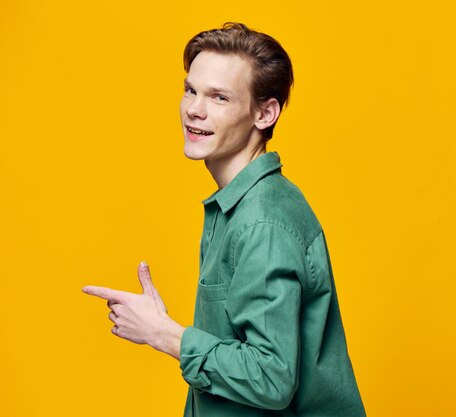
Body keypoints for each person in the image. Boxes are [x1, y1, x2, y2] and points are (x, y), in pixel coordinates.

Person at [83, 22, 366, 417]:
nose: (194, 109)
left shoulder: (262, 222)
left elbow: (271, 378)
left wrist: (165, 334)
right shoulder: (240, 206)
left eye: (218, 97)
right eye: (190, 90)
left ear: (265, 113)